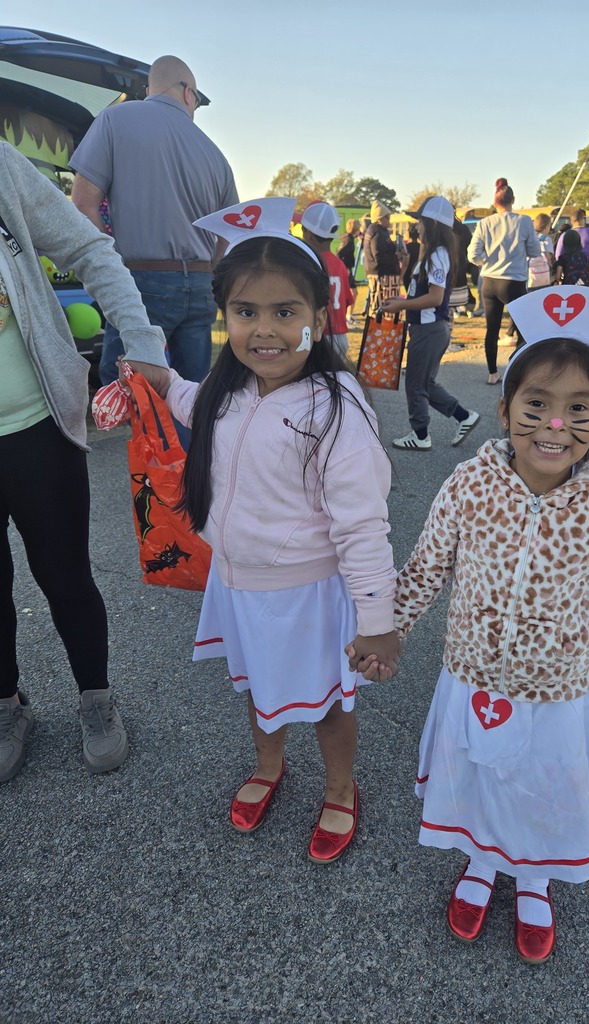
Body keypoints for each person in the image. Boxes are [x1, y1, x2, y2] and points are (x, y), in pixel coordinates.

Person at [351, 287, 589, 962]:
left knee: (541, 782)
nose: (554, 426)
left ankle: (534, 877)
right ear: (505, 408)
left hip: (560, 690)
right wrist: (383, 628)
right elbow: (425, 569)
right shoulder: (469, 486)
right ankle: (481, 864)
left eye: (578, 409)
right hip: (474, 674)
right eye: (535, 404)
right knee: (479, 775)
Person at [148, 197, 399, 862]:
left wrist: (377, 619)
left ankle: (341, 789)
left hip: (308, 594)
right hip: (240, 585)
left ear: (319, 316)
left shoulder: (336, 407)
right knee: (260, 683)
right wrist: (159, 378)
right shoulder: (230, 386)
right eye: (246, 312)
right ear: (224, 315)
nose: (265, 331)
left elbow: (363, 526)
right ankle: (268, 766)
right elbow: (195, 406)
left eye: (284, 312)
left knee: (327, 703)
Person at [0, 141, 170, 782]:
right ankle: (6, 704)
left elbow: (89, 247)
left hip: (36, 422)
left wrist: (144, 338)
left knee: (65, 573)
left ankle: (96, 698)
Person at [70, 54, 238, 387]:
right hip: (202, 282)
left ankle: (141, 441)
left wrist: (111, 263)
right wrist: (213, 270)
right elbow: (228, 232)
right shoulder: (215, 152)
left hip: (142, 279)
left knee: (129, 389)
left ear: (151, 88)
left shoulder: (115, 120)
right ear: (188, 93)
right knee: (190, 392)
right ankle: (186, 440)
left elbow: (83, 202)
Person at [379, 196, 479, 452]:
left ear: (432, 225)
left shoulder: (438, 254)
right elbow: (424, 292)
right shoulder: (435, 253)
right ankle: (463, 416)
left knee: (415, 383)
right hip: (429, 328)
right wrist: (401, 300)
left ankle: (421, 435)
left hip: (430, 328)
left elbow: (435, 298)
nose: (416, 227)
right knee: (426, 382)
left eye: (420, 222)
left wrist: (401, 305)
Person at [468, 178, 539, 384]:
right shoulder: (524, 221)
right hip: (514, 280)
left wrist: (483, 262)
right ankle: (516, 366)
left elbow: (472, 254)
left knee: (492, 328)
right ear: (513, 200)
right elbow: (534, 250)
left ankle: (492, 373)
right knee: (523, 327)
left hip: (489, 280)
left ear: (495, 202)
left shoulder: (484, 223)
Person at [299, 201, 354, 358]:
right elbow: (348, 300)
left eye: (303, 230)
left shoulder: (309, 263)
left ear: (309, 235)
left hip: (319, 336)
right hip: (340, 336)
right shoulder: (340, 264)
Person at [362, 199, 401, 313]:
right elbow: (378, 256)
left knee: (380, 304)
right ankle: (378, 329)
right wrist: (396, 257)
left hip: (381, 274)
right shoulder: (377, 233)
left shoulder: (379, 231)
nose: (389, 221)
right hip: (381, 275)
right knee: (381, 306)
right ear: (379, 219)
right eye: (387, 218)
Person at [337, 218, 361, 325]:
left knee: (351, 292)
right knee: (353, 292)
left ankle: (348, 314)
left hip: (347, 268)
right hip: (345, 269)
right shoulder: (348, 240)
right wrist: (344, 268)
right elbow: (339, 254)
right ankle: (347, 315)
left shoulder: (347, 237)